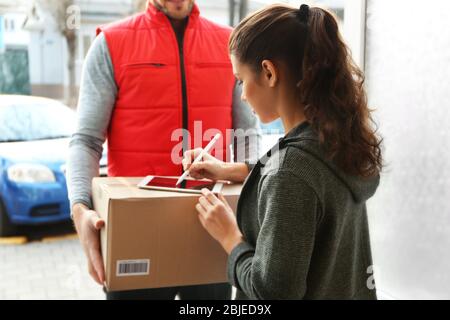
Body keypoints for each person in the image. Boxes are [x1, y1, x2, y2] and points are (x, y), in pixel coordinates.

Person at [183, 4, 383, 299]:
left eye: (241, 80)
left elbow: (272, 294)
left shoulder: (290, 173)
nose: (241, 93)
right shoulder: (338, 141)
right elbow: (310, 171)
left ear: (268, 72)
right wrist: (237, 169)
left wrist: (230, 238)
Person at [67, 0, 261, 300]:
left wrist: (251, 208)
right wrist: (80, 207)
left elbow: (246, 137)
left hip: (211, 232)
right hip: (136, 234)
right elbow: (86, 141)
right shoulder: (110, 43)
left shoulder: (231, 43)